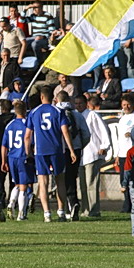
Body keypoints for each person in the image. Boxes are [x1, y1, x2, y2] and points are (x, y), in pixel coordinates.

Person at [24, 87, 77, 222]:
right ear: (52, 97)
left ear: (42, 97)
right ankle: (61, 212)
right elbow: (65, 131)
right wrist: (71, 150)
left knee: (43, 182)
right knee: (60, 180)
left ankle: (47, 214)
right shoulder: (59, 111)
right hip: (57, 150)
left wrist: (27, 152)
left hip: (40, 151)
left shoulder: (34, 112)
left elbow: (27, 136)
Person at [55, 90, 90, 219]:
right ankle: (73, 203)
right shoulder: (78, 115)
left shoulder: (55, 113)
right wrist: (79, 147)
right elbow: (86, 134)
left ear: (57, 100)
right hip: (76, 149)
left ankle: (64, 209)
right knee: (71, 178)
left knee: (60, 179)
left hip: (60, 150)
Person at [1, 101, 35, 220]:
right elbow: (31, 142)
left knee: (17, 184)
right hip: (22, 157)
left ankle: (11, 204)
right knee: (24, 186)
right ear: (25, 110)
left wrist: (3, 161)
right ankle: (21, 213)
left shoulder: (9, 125)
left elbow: (4, 145)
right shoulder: (28, 124)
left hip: (11, 158)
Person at [78, 95, 111, 218]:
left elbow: (103, 130)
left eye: (80, 103)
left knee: (91, 184)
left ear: (86, 103)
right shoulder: (76, 116)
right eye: (76, 103)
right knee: (83, 185)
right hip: (81, 155)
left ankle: (94, 210)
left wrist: (104, 146)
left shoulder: (92, 115)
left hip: (92, 153)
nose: (78, 106)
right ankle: (85, 209)